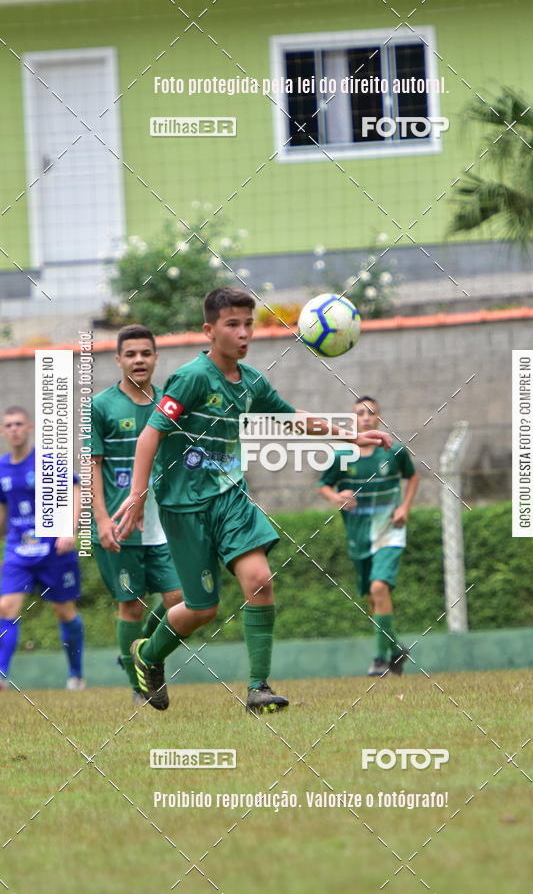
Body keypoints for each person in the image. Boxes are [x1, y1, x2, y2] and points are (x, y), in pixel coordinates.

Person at [112, 287, 391, 712]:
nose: (244, 333)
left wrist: (352, 434)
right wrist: (137, 494)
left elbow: (292, 418)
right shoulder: (191, 378)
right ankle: (147, 655)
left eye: (248, 324)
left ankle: (259, 687)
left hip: (231, 498)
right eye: (233, 325)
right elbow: (152, 433)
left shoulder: (253, 382)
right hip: (183, 508)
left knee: (260, 580)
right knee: (202, 609)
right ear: (210, 330)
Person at [91, 325, 182, 704]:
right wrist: (101, 520)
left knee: (182, 599)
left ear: (156, 357)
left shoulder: (171, 404)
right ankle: (138, 690)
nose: (139, 360)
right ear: (119, 360)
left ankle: (142, 653)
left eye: (146, 353)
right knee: (130, 603)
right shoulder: (100, 406)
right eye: (131, 354)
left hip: (168, 525)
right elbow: (91, 465)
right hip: (121, 524)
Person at [319, 395, 419, 677]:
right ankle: (396, 650)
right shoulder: (342, 457)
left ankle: (379, 659)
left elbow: (413, 477)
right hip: (358, 535)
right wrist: (337, 496)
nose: (365, 417)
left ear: (379, 419)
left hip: (390, 531)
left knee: (378, 588)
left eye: (370, 413)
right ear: (353, 421)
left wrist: (404, 506)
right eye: (359, 414)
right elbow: (323, 486)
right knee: (372, 598)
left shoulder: (393, 453)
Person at [0, 406, 85, 690]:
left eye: (18, 424)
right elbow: (3, 511)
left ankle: (76, 674)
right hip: (18, 550)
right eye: (9, 425)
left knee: (65, 612)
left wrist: (69, 531)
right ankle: (1, 675)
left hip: (53, 550)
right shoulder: (1, 468)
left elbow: (75, 488)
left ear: (29, 427)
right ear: (4, 431)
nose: (14, 429)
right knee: (6, 607)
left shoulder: (47, 461)